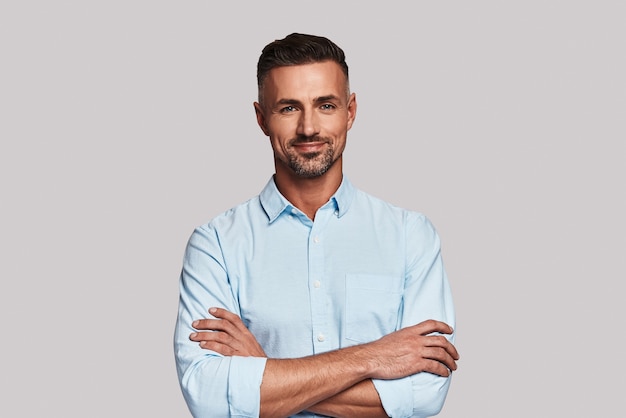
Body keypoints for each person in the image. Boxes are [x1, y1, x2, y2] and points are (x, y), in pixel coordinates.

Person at [174, 33, 459, 418]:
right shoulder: (216, 245)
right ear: (261, 118)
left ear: (351, 111)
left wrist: (263, 372)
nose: (309, 128)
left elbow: (424, 396)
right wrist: (375, 356)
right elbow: (210, 398)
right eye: (289, 108)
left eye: (325, 105)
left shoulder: (411, 236)